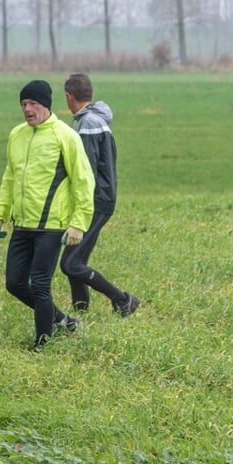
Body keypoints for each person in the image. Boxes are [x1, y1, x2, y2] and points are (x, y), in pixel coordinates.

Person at [0, 79, 93, 349]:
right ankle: (65, 321)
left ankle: (42, 344)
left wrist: (78, 224)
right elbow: (9, 178)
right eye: (24, 104)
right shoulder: (17, 134)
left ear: (46, 105)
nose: (27, 109)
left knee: (40, 285)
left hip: (52, 226)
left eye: (33, 103)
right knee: (14, 283)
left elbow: (83, 181)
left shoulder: (65, 136)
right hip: (22, 224)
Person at [59, 74, 141, 318]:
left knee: (70, 264)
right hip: (101, 199)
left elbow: (86, 169)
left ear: (68, 97)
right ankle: (80, 314)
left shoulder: (88, 124)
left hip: (94, 201)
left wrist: (77, 202)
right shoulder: (96, 119)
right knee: (76, 260)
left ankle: (123, 299)